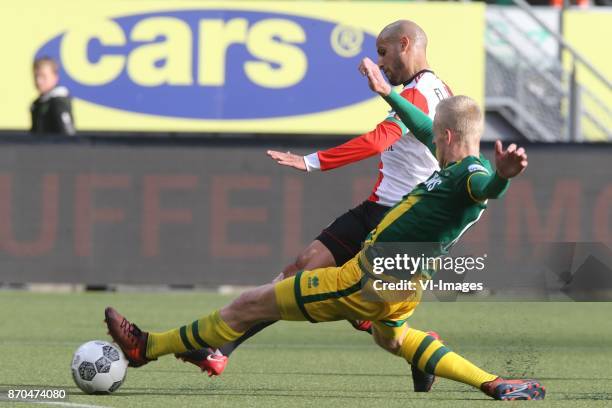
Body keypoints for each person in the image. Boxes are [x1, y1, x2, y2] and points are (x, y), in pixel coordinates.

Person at [103, 59, 544, 401]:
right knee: (394, 339)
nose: (429, 138)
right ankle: (493, 383)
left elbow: (486, 190)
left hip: (364, 280)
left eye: (436, 135)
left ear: (447, 137)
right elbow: (422, 125)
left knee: (249, 304)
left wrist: (504, 177)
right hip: (405, 284)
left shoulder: (470, 177)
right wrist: (388, 92)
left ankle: (148, 347)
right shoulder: (459, 158)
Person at [177, 19, 453, 385]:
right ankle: (221, 350)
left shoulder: (419, 94)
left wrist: (311, 161)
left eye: (384, 53)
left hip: (398, 220)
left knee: (377, 325)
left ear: (405, 44)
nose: (381, 63)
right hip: (377, 208)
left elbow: (376, 141)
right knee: (300, 271)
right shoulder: (441, 90)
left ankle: (423, 351)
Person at [30, 57, 75, 135]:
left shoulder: (59, 102)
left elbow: (68, 135)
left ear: (55, 77)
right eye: (36, 76)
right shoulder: (36, 104)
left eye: (43, 76)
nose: (38, 81)